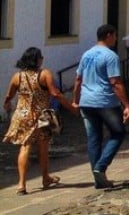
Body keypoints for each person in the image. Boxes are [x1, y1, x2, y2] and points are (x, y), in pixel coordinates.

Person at [3, 47, 75, 195]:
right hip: (42, 116)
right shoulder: (44, 74)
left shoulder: (18, 76)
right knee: (43, 148)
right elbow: (55, 93)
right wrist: (71, 107)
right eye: (40, 57)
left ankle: (21, 184)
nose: (42, 59)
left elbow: (9, 94)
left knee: (25, 147)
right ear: (36, 59)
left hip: (22, 115)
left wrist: (7, 103)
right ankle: (45, 177)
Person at [73, 25, 129, 189]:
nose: (115, 39)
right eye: (114, 36)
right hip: (105, 101)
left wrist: (75, 100)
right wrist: (126, 104)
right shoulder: (110, 56)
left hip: (87, 101)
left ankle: (98, 178)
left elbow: (78, 79)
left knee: (94, 139)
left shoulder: (87, 54)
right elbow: (115, 83)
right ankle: (101, 166)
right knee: (118, 132)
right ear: (108, 35)